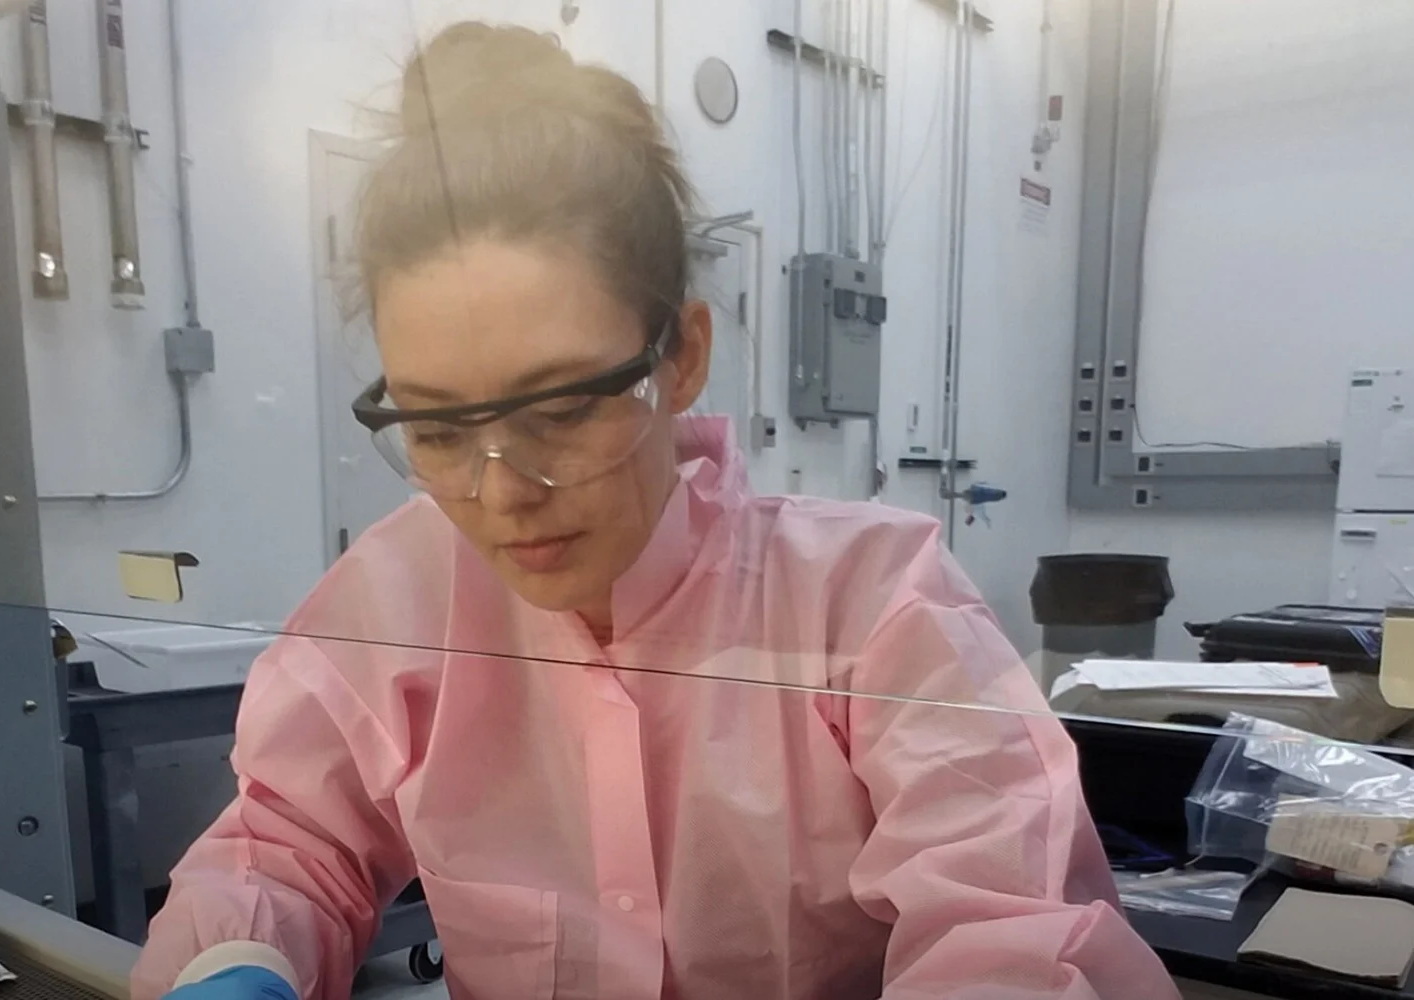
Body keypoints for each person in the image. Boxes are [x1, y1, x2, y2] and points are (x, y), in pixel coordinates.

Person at [134, 22, 1179, 1000]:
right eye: (440, 430)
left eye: (561, 410)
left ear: (680, 355)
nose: (501, 493)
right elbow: (285, 846)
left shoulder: (869, 609)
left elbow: (1009, 927)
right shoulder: (401, 597)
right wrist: (240, 956)